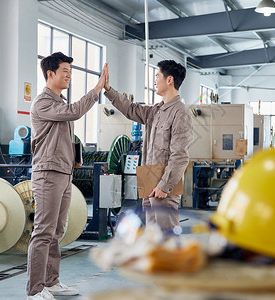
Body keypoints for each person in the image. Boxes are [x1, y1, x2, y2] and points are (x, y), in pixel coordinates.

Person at [27, 52, 107, 300]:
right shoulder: (43, 102)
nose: (69, 75)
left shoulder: (60, 102)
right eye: (65, 71)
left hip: (64, 172)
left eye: (70, 71)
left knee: (56, 231)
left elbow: (65, 132)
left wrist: (76, 154)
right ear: (50, 73)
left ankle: (51, 282)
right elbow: (74, 112)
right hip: (48, 173)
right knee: (43, 232)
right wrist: (97, 89)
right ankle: (35, 289)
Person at [104, 60, 193, 231]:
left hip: (163, 184)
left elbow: (180, 156)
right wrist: (108, 90)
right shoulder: (156, 111)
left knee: (166, 237)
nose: (154, 81)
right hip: (149, 180)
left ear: (169, 80)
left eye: (157, 76)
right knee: (152, 237)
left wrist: (164, 185)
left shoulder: (180, 113)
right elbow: (130, 109)